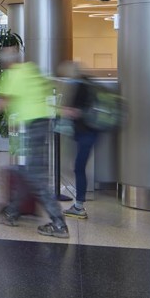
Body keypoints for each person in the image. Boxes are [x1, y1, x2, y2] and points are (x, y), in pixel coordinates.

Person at [0, 46, 69, 239]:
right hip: (43, 122)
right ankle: (12, 212)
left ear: (6, 62)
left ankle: (59, 223)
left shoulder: (12, 75)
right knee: (29, 171)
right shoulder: (31, 69)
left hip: (34, 124)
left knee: (35, 175)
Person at [58, 61, 97, 220]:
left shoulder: (80, 87)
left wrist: (61, 110)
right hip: (90, 132)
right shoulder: (88, 84)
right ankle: (79, 204)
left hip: (85, 133)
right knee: (78, 167)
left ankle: (79, 206)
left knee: (79, 168)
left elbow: (75, 112)